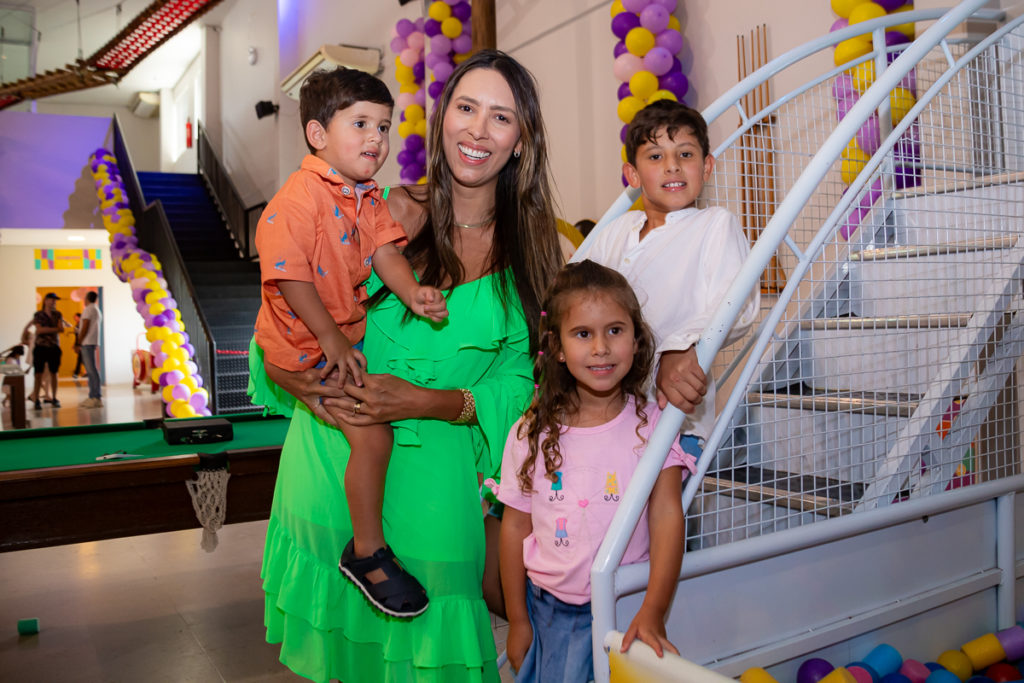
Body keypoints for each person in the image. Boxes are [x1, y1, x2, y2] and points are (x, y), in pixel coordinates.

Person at [248, 49, 563, 682]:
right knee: (342, 659)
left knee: (433, 649)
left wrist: (426, 401)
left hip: (439, 479)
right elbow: (283, 309)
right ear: (443, 119)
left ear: (521, 140)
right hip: (333, 457)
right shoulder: (375, 210)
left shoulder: (536, 253)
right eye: (466, 109)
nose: (477, 130)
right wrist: (302, 384)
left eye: (500, 117)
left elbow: (525, 384)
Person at [253, 67, 449, 618]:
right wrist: (332, 338)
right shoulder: (298, 199)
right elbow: (291, 277)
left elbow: (387, 251)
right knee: (373, 438)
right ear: (318, 135)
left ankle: (368, 546)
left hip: (331, 340)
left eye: (384, 127)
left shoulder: (366, 196)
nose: (376, 139)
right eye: (360, 123)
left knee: (375, 436)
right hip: (303, 345)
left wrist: (412, 293)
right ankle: (367, 552)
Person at [492, 260, 695, 682]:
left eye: (615, 331)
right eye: (583, 334)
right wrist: (518, 619)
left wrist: (653, 610)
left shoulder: (654, 426)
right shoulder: (530, 432)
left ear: (637, 341)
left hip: (626, 603)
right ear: (559, 348)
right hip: (549, 608)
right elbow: (515, 527)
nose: (601, 347)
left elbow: (667, 516)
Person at [578, 100, 759, 462]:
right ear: (632, 175)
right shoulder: (614, 231)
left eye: (686, 154)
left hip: (677, 421)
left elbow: (736, 304)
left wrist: (678, 347)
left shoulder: (714, 224)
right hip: (602, 416)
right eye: (656, 156)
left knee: (660, 517)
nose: (673, 165)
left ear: (706, 166)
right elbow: (574, 298)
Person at [27, 292, 68, 410]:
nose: (54, 302)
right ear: (46, 301)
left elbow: (61, 329)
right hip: (40, 347)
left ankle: (54, 398)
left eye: (55, 300)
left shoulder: (58, 314)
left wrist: (47, 330)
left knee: (54, 373)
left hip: (54, 347)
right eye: (52, 300)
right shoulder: (38, 314)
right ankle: (36, 400)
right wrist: (54, 329)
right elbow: (39, 330)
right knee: (38, 374)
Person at [77, 291, 103, 408]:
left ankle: (95, 397)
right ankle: (93, 396)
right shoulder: (96, 309)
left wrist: (78, 342)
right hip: (91, 341)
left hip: (87, 342)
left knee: (91, 370)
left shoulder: (88, 309)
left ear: (87, 299)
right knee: (92, 370)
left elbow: (85, 326)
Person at [71, 313, 85, 379]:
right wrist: (74, 344)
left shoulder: (81, 325)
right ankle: (86, 372)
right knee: (82, 359)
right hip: (78, 344)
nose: (74, 318)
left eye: (75, 317)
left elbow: (81, 336)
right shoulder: (77, 325)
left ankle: (76, 373)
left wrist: (79, 345)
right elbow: (76, 336)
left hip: (81, 344)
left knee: (80, 359)